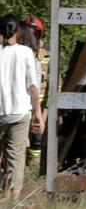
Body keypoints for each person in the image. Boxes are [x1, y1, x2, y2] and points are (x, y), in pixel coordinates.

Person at [0, 15, 44, 198]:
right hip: (19, 113)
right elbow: (32, 87)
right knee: (16, 157)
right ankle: (12, 198)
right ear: (18, 31)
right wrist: (38, 114)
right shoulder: (26, 52)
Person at [18, 17, 48, 167]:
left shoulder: (46, 53)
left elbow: (53, 80)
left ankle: (33, 168)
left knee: (37, 139)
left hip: (40, 105)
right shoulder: (15, 51)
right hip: (20, 104)